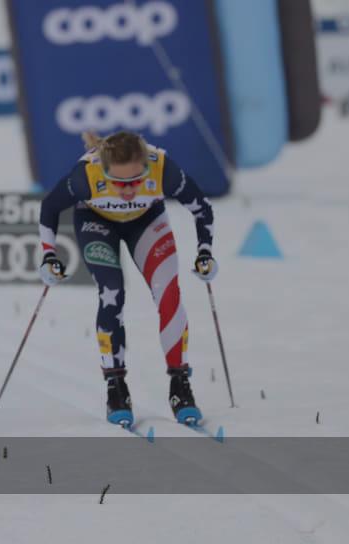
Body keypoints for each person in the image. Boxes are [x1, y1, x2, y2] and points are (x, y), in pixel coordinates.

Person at [38, 131, 218, 427]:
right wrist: (48, 254)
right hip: (96, 223)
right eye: (119, 183)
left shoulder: (162, 168)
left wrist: (205, 252)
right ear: (105, 169)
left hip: (147, 222)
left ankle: (180, 385)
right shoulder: (86, 175)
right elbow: (50, 207)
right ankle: (116, 387)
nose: (128, 191)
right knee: (112, 291)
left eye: (136, 180)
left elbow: (202, 208)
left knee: (168, 292)